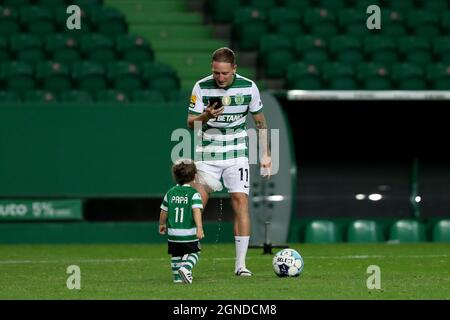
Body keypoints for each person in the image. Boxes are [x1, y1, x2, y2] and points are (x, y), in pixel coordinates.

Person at [187, 47, 271, 276]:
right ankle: (187, 260)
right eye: (216, 73)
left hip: (236, 155)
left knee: (240, 202)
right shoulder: (201, 87)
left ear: (234, 68)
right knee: (196, 204)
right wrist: (205, 116)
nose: (220, 78)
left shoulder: (249, 87)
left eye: (224, 73)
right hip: (207, 155)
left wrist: (265, 154)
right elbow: (190, 124)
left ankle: (241, 265)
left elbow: (260, 123)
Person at [159, 158, 204, 284]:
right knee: (195, 252)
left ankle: (177, 279)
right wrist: (199, 228)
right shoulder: (194, 194)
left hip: (173, 233)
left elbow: (164, 211)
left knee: (176, 255)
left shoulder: (170, 193)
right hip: (188, 233)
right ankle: (186, 268)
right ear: (194, 176)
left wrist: (162, 224)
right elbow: (196, 211)